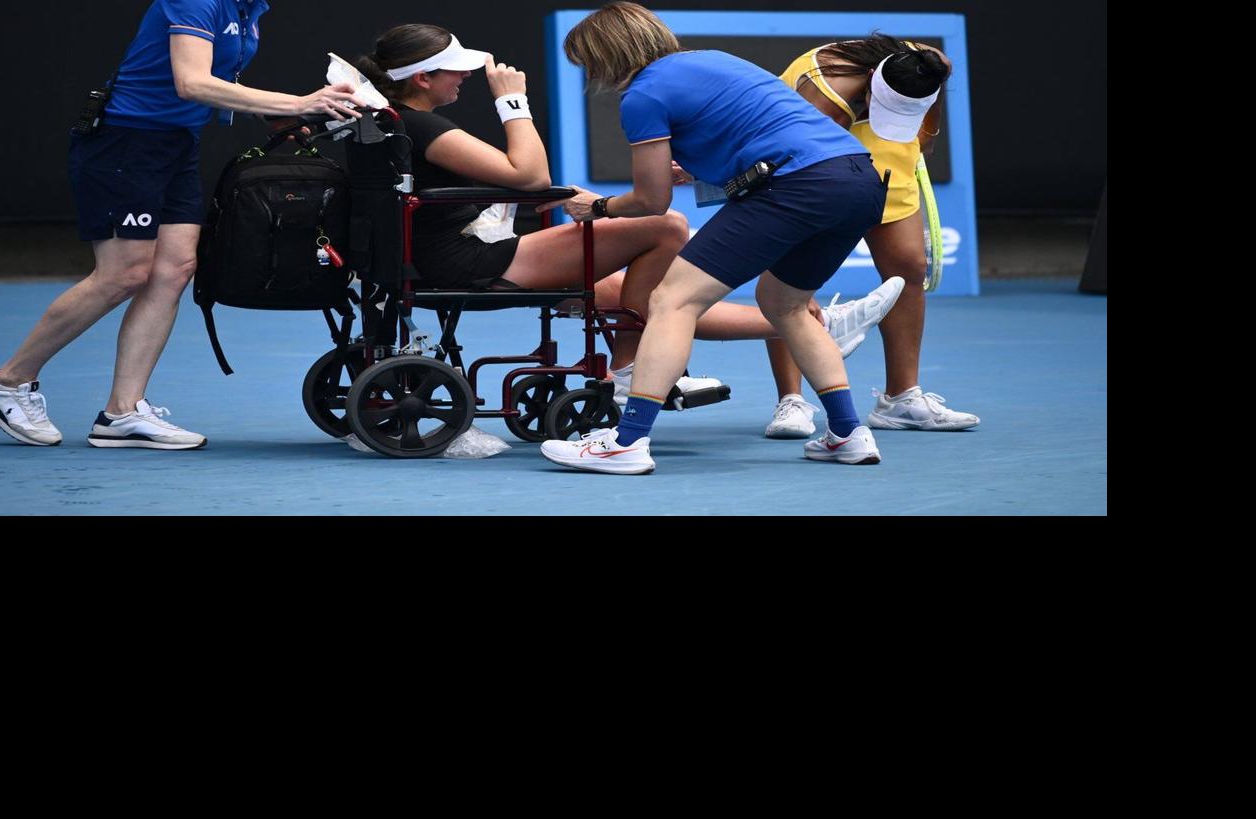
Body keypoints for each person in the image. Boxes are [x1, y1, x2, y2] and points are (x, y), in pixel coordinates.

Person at [350, 24, 900, 405]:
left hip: (437, 251)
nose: (466, 79)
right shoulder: (421, 126)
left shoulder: (390, 120)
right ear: (422, 78)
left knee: (631, 296)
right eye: (457, 73)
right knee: (664, 229)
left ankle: (819, 326)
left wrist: (564, 198)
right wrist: (512, 101)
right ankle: (630, 373)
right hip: (461, 258)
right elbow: (530, 177)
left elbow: (519, 187)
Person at [0, 0, 359, 449]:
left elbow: (219, 78)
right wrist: (297, 101)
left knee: (173, 270)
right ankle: (7, 382)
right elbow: (190, 82)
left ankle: (123, 412)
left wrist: (275, 114)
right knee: (123, 274)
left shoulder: (251, 8)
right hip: (125, 142)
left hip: (176, 144)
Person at [540, 2, 899, 474]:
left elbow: (651, 201)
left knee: (671, 299)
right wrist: (700, 168)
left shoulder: (642, 96)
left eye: (586, 61)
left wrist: (599, 207)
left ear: (604, 55)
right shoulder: (717, 59)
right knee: (785, 303)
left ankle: (626, 443)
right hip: (859, 181)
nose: (588, 71)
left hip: (798, 184)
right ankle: (848, 434)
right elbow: (761, 135)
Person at [761, 34, 980, 438]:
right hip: (812, 173)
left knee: (907, 272)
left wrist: (925, 132)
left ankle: (901, 398)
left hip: (889, 170)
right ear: (873, 86)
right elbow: (787, 156)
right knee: (790, 284)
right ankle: (790, 400)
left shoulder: (925, 64)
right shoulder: (823, 92)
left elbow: (940, 74)